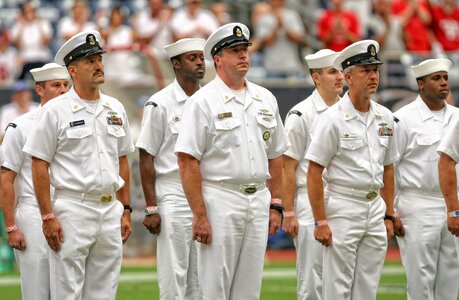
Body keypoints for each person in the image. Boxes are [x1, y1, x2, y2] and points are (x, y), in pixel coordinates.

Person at [174, 23, 289, 299]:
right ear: (218, 59)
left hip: (257, 199)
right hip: (220, 200)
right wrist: (199, 215)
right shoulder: (203, 101)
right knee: (215, 286)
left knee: (250, 288)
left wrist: (276, 203)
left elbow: (275, 156)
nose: (243, 56)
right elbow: (187, 161)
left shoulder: (265, 98)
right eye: (235, 51)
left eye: (245, 50)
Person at [22, 30, 135, 299]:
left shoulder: (115, 108)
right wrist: (48, 216)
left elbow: (122, 160)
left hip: (110, 210)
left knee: (104, 291)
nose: (98, 65)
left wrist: (126, 208)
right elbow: (39, 164)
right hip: (72, 208)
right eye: (90, 61)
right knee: (67, 291)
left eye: (99, 59)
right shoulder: (55, 110)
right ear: (72, 70)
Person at [306, 40, 398, 300]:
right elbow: (314, 171)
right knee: (337, 289)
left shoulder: (385, 117)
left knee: (367, 289)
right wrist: (320, 220)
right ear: (348, 77)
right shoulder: (332, 119)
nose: (373, 76)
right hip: (343, 207)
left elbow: (388, 167)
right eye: (365, 70)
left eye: (375, 70)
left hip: (374, 208)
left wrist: (389, 213)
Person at [136, 38, 206, 300]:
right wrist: (152, 207)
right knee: (174, 273)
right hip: (174, 192)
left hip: (206, 193)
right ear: (176, 64)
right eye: (192, 58)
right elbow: (146, 156)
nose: (200, 62)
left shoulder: (211, 98)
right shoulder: (160, 103)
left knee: (202, 275)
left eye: (201, 56)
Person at [0, 63, 70, 300]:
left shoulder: (76, 122)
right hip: (33, 213)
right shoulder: (20, 126)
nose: (62, 90)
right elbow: (6, 179)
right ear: (39, 90)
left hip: (70, 209)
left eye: (65, 85)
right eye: (56, 85)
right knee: (37, 289)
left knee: (69, 289)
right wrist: (11, 227)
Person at [394, 58, 459, 299]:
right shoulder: (402, 119)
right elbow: (389, 167)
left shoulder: (457, 116)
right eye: (436, 78)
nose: (443, 83)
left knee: (450, 282)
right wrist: (390, 210)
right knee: (420, 281)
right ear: (421, 84)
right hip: (417, 204)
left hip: (452, 204)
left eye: (445, 78)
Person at [282, 49, 343, 300]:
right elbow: (288, 166)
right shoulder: (300, 114)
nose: (340, 77)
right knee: (311, 279)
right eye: (332, 72)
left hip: (342, 199)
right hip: (308, 200)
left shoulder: (349, 110)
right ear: (316, 77)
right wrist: (288, 211)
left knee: (341, 276)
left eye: (340, 71)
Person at [254, 0, 305, 79]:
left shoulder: (292, 15)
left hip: (291, 67)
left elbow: (298, 38)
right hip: (272, 68)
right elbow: (267, 42)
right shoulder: (264, 18)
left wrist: (284, 25)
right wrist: (276, 26)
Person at [9, 1, 53, 80]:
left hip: (41, 57)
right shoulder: (18, 25)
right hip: (25, 58)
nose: (29, 13)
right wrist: (21, 27)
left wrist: (39, 26)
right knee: (18, 68)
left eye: (31, 11)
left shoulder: (43, 23)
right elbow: (18, 46)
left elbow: (45, 43)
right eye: (26, 11)